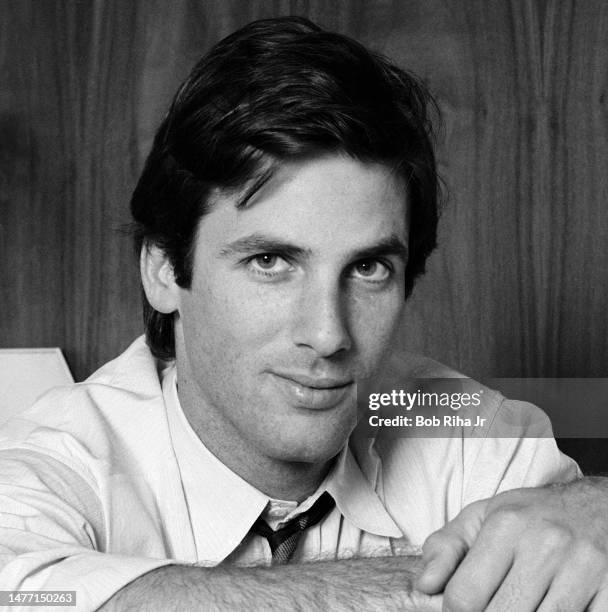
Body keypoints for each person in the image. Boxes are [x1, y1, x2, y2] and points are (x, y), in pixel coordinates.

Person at [1, 16, 607, 611]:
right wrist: (466, 586)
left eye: (368, 269)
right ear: (163, 270)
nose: (327, 335)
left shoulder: (456, 425)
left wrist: (597, 506)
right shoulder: (61, 456)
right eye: (270, 261)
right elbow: (25, 596)